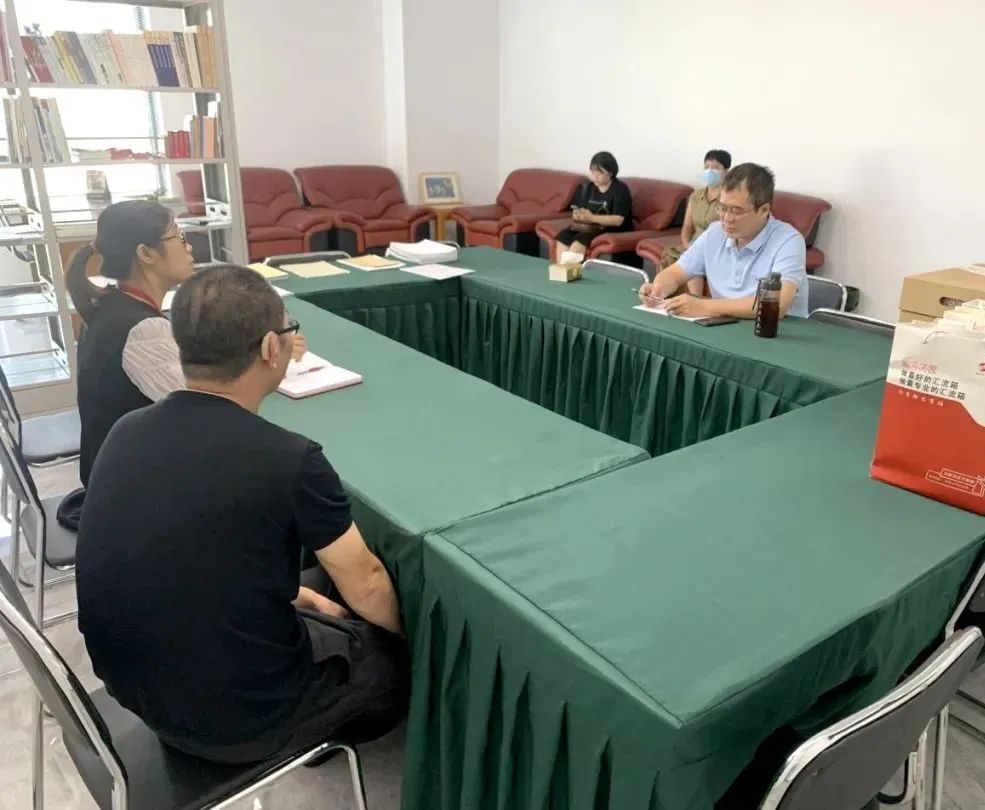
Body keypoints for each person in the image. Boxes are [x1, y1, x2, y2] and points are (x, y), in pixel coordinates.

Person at [76, 264, 408, 764]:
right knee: (390, 665)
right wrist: (400, 638)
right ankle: (304, 736)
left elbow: (184, 546)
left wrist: (295, 594)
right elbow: (368, 583)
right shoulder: (291, 459)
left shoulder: (126, 430)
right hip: (238, 722)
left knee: (316, 595)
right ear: (272, 348)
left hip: (131, 689)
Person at [59, 201, 304, 528]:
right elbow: (212, 411)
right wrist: (268, 357)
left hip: (119, 476)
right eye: (179, 237)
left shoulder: (110, 308)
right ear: (146, 254)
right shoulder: (142, 330)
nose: (190, 248)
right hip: (139, 501)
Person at [639, 163, 808, 319]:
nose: (727, 218)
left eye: (736, 211)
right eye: (722, 208)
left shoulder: (788, 241)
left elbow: (776, 305)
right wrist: (658, 289)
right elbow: (676, 273)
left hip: (775, 332)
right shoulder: (714, 232)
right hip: (723, 326)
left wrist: (705, 306)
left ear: (764, 210)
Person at [661, 148, 732, 278]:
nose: (709, 171)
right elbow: (687, 226)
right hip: (693, 245)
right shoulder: (696, 196)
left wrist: (696, 252)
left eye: (715, 168)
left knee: (694, 263)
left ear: (726, 172)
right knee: (669, 257)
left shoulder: (729, 197)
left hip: (716, 247)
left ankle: (693, 292)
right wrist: (687, 245)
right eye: (706, 167)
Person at [553, 151, 633, 263]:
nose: (595, 176)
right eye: (592, 171)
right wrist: (578, 215)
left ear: (610, 172)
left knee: (579, 241)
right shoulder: (588, 188)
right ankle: (561, 269)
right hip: (590, 226)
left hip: (611, 228)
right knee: (563, 236)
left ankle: (571, 269)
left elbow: (618, 220)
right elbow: (580, 210)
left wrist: (591, 218)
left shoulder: (620, 190)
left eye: (599, 172)